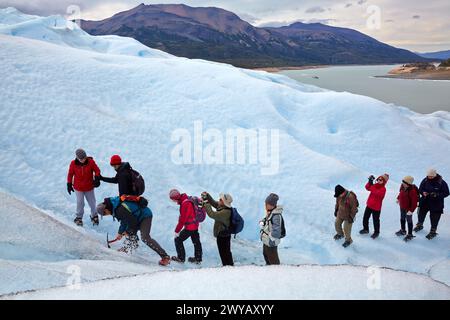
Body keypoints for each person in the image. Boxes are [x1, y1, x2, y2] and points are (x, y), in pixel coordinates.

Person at [96, 196, 171, 266]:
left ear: (106, 209)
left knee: (145, 237)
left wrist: (127, 231)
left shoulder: (119, 209)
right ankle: (129, 247)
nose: (106, 215)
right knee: (130, 231)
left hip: (144, 216)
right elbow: (124, 220)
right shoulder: (115, 207)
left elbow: (133, 222)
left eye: (104, 214)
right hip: (136, 217)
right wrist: (120, 232)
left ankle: (165, 257)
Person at [67, 148, 101, 226]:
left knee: (92, 202)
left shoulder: (91, 162)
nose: (83, 160)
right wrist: (69, 184)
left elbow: (97, 170)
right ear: (77, 158)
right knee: (80, 203)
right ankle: (79, 218)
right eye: (81, 159)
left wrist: (97, 178)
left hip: (89, 187)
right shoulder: (73, 164)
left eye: (84, 158)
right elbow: (70, 174)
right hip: (78, 188)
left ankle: (94, 216)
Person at [169, 189, 203, 264]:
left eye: (173, 200)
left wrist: (177, 231)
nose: (173, 201)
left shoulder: (185, 204)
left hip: (190, 227)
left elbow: (183, 219)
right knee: (196, 241)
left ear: (175, 198)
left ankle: (181, 258)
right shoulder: (187, 198)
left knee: (178, 240)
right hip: (195, 224)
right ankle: (198, 258)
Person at [414, 169, 449, 239]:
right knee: (421, 214)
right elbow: (420, 189)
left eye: (431, 176)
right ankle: (419, 225)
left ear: (434, 175)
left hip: (436, 204)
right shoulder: (425, 180)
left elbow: (446, 193)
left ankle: (433, 231)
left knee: (434, 218)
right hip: (425, 201)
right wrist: (423, 192)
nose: (429, 177)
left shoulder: (441, 182)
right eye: (428, 176)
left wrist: (437, 194)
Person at [201, 191, 234, 266]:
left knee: (224, 253)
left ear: (224, 202)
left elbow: (212, 214)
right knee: (226, 252)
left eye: (220, 199)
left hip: (223, 235)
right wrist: (207, 196)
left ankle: (228, 267)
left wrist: (206, 203)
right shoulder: (222, 206)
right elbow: (214, 203)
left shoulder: (225, 212)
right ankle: (229, 267)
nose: (219, 200)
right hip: (224, 234)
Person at [360, 173, 389, 239]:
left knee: (375, 220)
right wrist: (369, 182)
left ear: (384, 182)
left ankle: (376, 232)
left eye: (381, 180)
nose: (379, 180)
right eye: (378, 179)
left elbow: (376, 192)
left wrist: (371, 185)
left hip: (376, 208)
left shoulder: (383, 189)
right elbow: (367, 188)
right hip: (369, 205)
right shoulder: (375, 185)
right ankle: (366, 229)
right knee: (365, 218)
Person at [260, 193, 284, 264]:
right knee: (266, 256)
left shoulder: (276, 216)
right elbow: (268, 221)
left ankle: (276, 273)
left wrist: (270, 236)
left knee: (273, 261)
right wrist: (263, 222)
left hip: (271, 242)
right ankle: (269, 272)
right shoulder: (271, 212)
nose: (265, 205)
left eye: (266, 204)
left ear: (271, 205)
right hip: (267, 241)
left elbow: (276, 232)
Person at [396, 176, 418, 242]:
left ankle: (410, 234)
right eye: (403, 182)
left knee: (409, 221)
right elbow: (401, 193)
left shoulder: (412, 191)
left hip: (408, 209)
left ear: (408, 184)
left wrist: (411, 211)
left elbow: (414, 203)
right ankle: (403, 230)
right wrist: (398, 198)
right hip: (402, 206)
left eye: (404, 182)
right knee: (402, 218)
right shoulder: (402, 186)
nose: (403, 183)